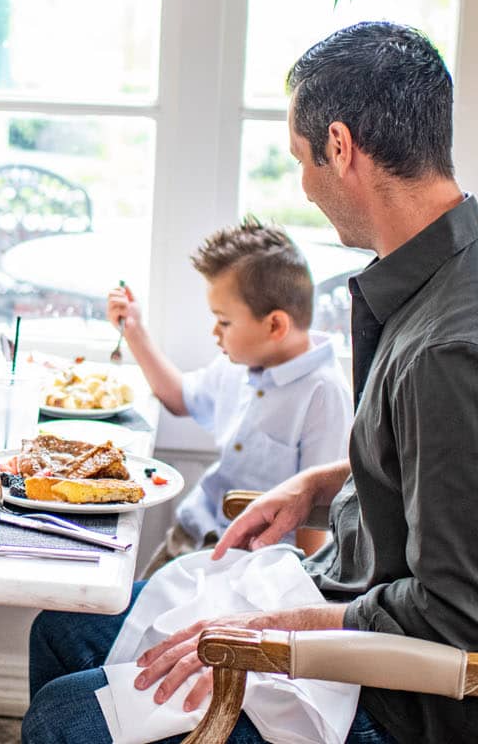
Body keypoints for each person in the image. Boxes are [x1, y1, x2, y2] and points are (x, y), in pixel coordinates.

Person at [23, 21, 478, 744]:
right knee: (61, 629)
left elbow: (460, 617)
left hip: (394, 700)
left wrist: (264, 633)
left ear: (341, 147)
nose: (306, 186)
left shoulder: (463, 351)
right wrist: (316, 484)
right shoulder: (454, 277)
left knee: (63, 719)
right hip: (350, 613)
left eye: (303, 160)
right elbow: (449, 467)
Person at [108, 219, 350, 558]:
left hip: (249, 565)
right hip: (189, 538)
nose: (215, 333)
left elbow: (315, 530)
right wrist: (133, 331)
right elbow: (180, 399)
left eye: (224, 321)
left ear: (275, 325)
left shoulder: (323, 394)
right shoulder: (237, 364)